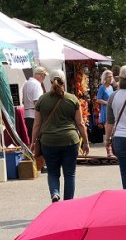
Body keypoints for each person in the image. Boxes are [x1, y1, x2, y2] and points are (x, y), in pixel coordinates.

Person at [31, 69, 90, 203]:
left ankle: (55, 193)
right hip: (70, 140)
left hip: (48, 141)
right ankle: (68, 204)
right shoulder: (72, 99)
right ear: (64, 82)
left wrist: (33, 142)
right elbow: (80, 123)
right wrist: (86, 142)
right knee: (70, 174)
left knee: (53, 173)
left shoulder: (42, 100)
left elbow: (37, 124)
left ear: (50, 81)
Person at [22, 66, 47, 140]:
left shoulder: (26, 84)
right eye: (44, 75)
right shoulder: (37, 84)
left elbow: (23, 101)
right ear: (40, 75)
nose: (44, 78)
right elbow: (37, 102)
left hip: (27, 115)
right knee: (38, 140)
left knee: (32, 139)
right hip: (35, 116)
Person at [96, 69, 115, 159]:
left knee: (113, 131)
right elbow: (98, 99)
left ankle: (114, 150)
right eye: (109, 77)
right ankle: (109, 151)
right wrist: (106, 103)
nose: (111, 78)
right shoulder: (102, 88)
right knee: (108, 131)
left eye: (111, 77)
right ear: (105, 78)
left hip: (112, 111)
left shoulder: (111, 87)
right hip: (106, 111)